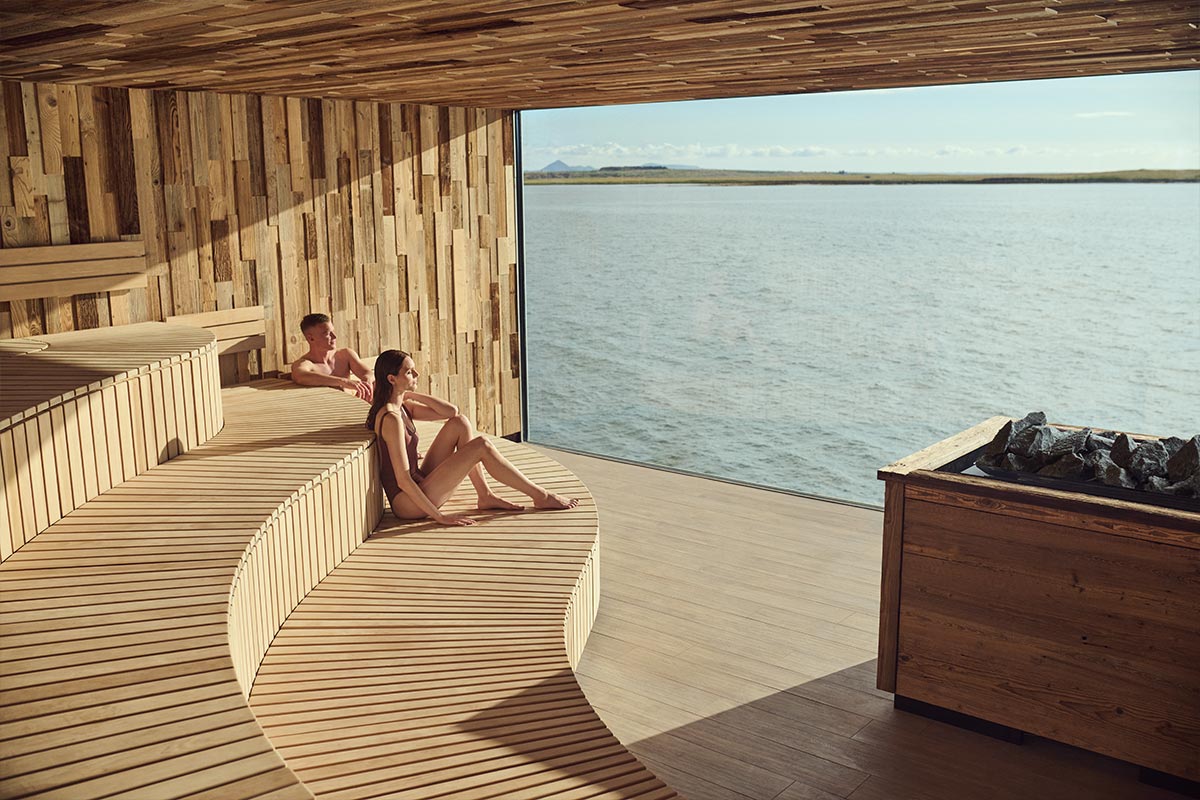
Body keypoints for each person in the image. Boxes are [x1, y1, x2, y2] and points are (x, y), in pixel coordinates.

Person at [368, 349, 579, 526]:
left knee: (461, 423)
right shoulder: (391, 418)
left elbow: (451, 412)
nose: (417, 374)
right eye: (409, 372)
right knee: (482, 445)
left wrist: (409, 392)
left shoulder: (402, 407)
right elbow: (403, 480)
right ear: (391, 379)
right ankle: (540, 496)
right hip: (407, 504)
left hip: (420, 482)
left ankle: (484, 495)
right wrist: (439, 517)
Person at [290, 313, 375, 401]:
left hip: (354, 404)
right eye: (327, 334)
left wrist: (367, 382)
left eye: (333, 331)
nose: (334, 336)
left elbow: (367, 373)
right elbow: (299, 376)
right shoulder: (306, 363)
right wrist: (343, 382)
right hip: (329, 410)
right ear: (311, 338)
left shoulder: (345, 355)